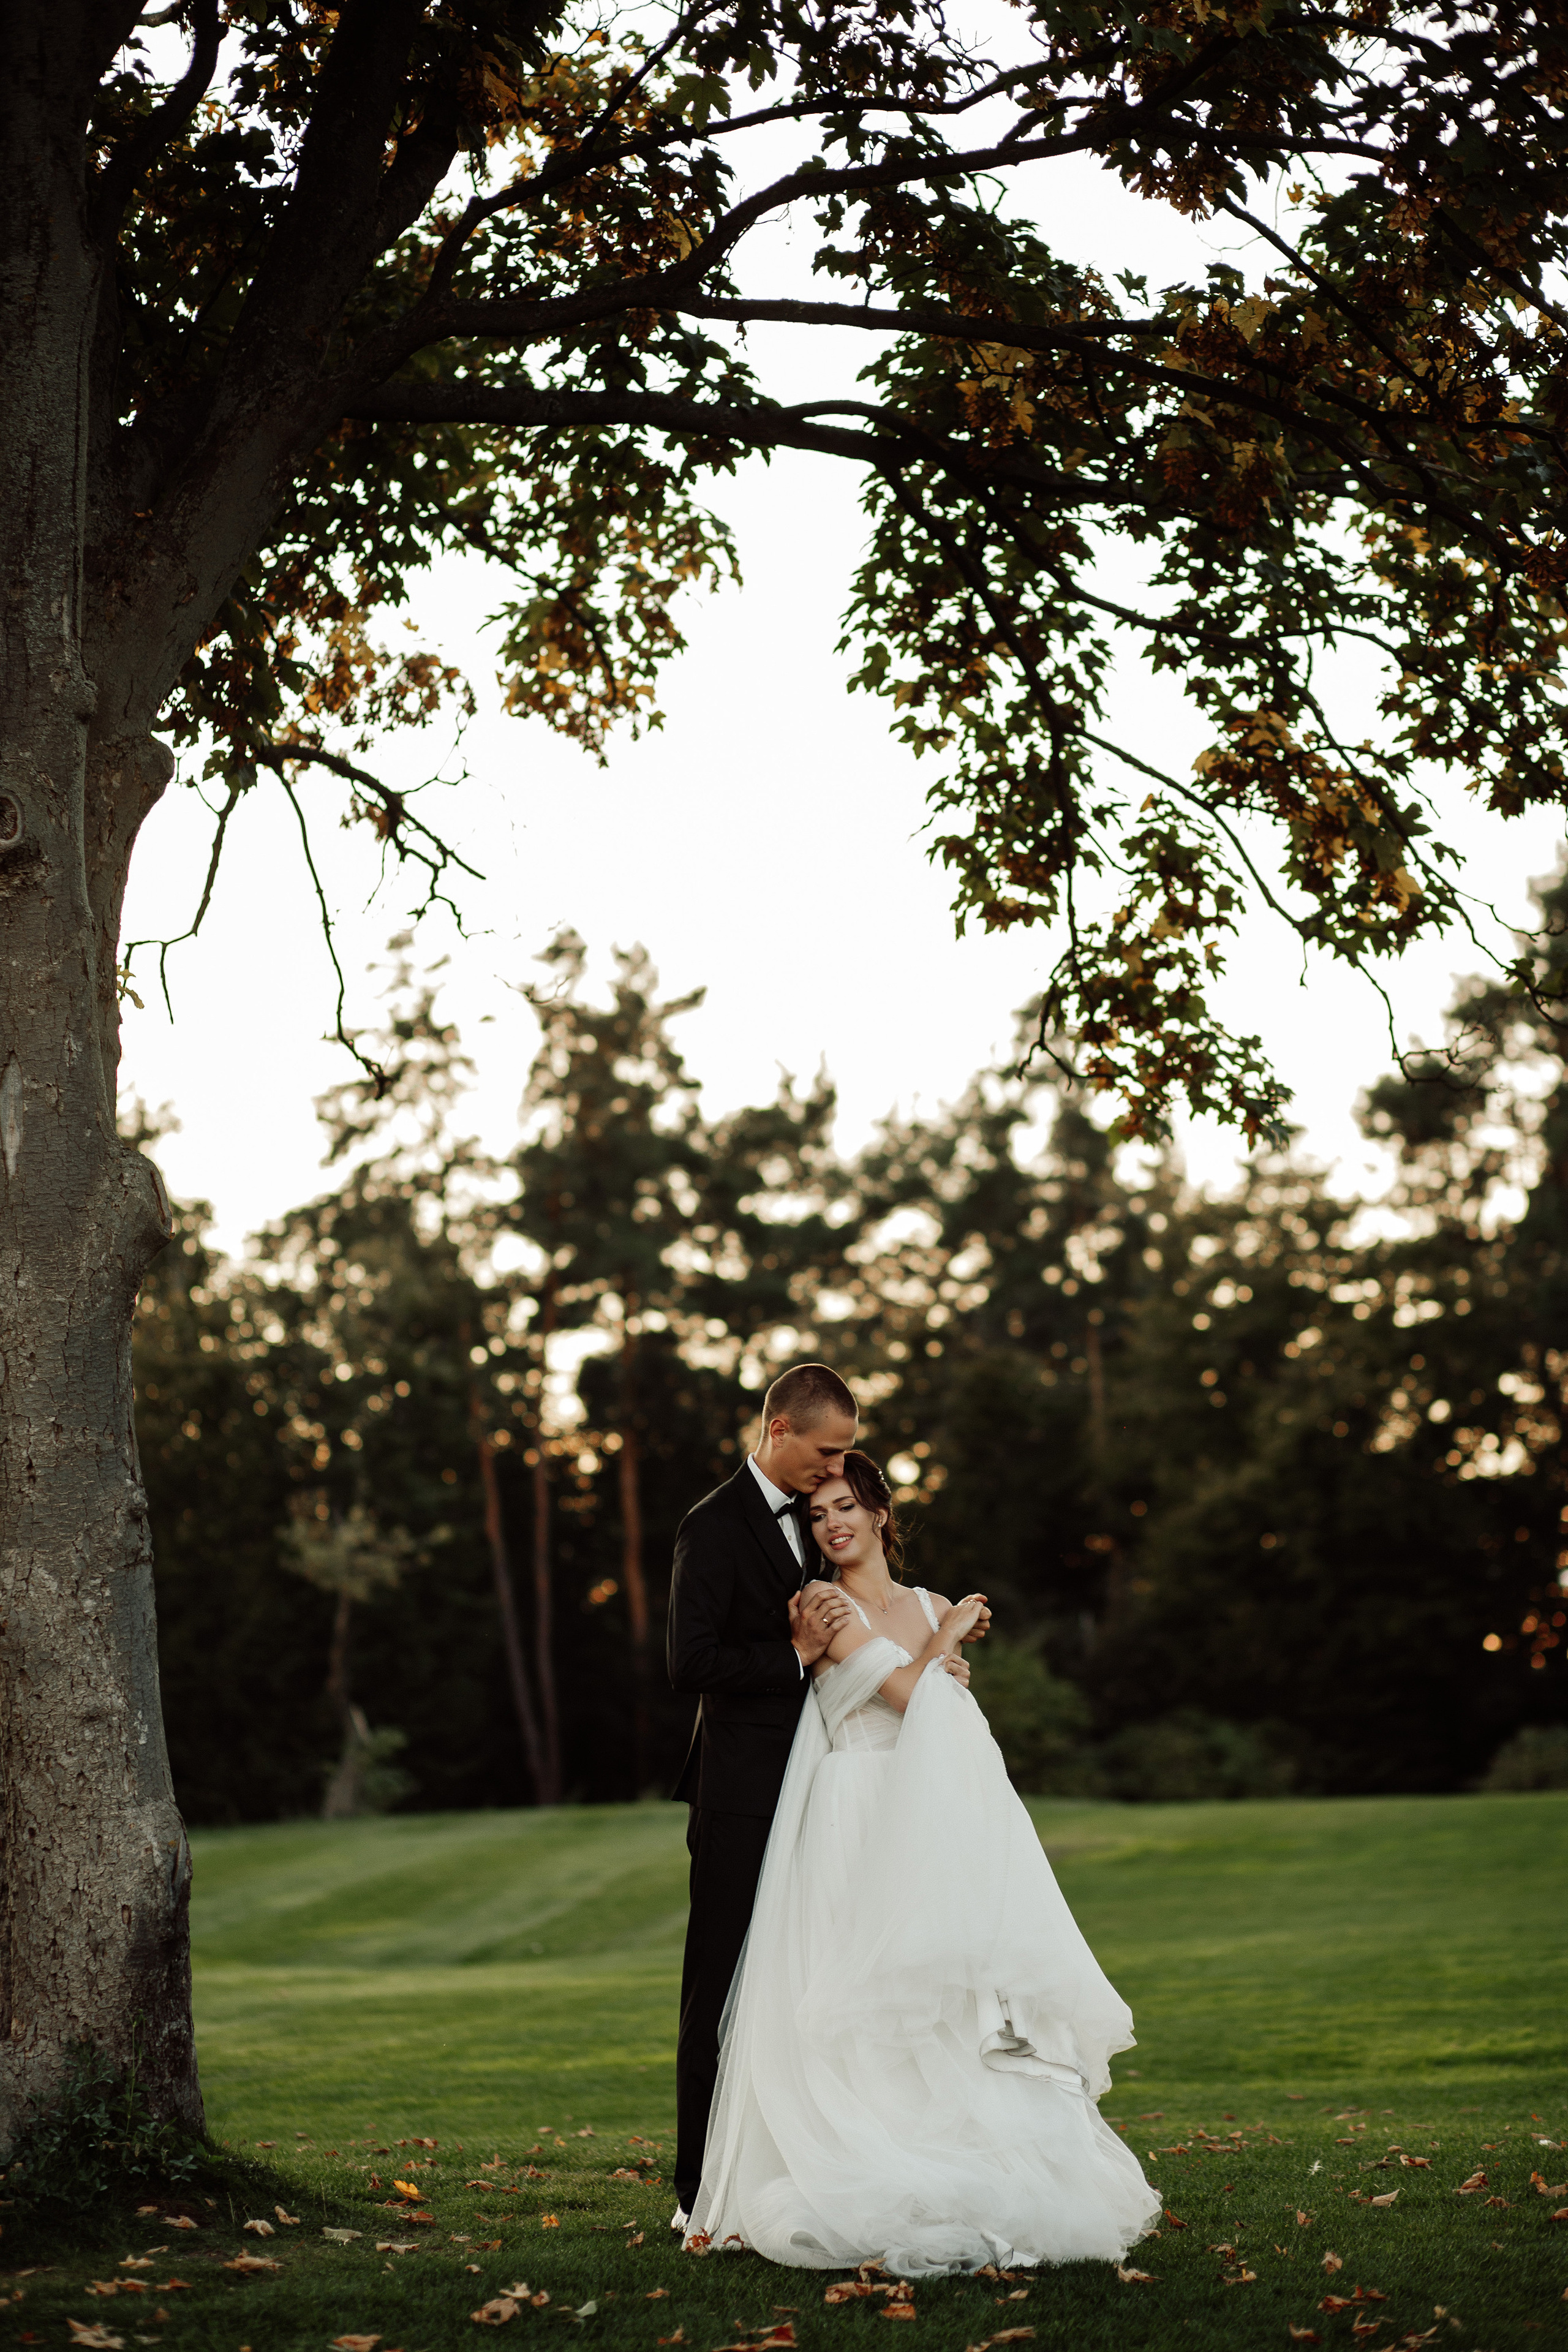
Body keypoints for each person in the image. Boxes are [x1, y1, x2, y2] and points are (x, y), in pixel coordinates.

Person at [687, 1450, 1160, 2275]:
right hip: (853, 1811)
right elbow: (908, 1695)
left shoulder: (927, 1601)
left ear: (878, 1513)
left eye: (844, 1508)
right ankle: (860, 2158)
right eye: (817, 1514)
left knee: (939, 2000)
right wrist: (943, 1645)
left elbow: (948, 1717)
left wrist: (938, 1645)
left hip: (926, 1821)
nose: (830, 1525)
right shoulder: (822, 1605)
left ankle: (963, 2155)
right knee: (864, 1996)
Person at [665, 1366, 977, 2227]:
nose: (837, 1466)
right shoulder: (713, 1526)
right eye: (829, 1448)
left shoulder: (822, 1516)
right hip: (745, 1795)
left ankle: (820, 2157)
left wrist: (933, 1648)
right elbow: (688, 1663)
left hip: (835, 1787)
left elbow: (870, 1612)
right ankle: (700, 2192)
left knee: (815, 1985)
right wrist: (792, 1657)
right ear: (781, 1430)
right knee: (722, 1992)